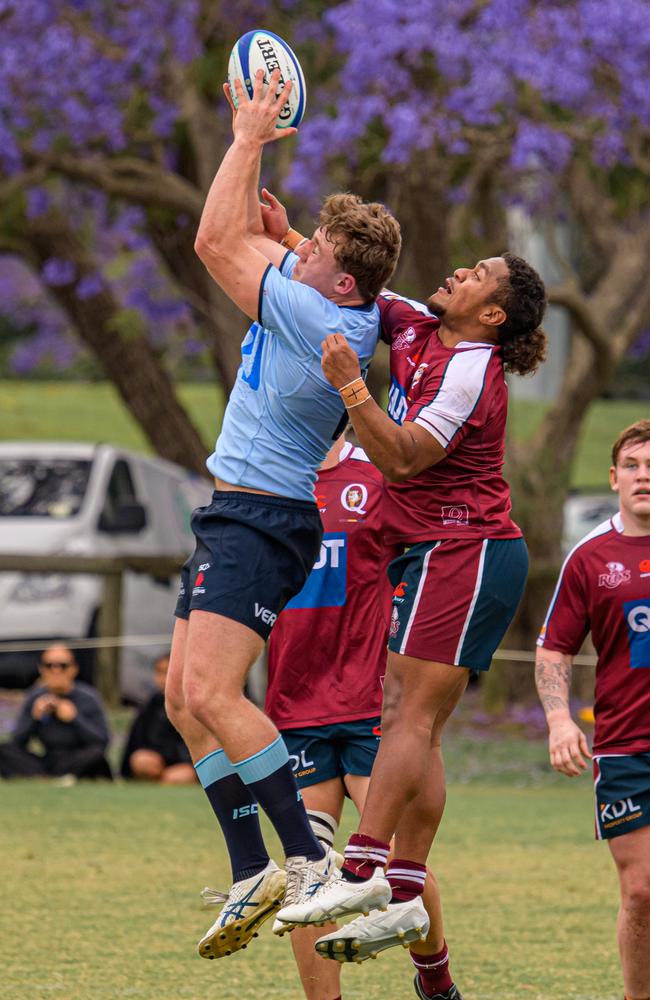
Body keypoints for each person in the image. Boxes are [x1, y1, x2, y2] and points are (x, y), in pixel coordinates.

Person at [272, 205, 546, 995]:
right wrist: (295, 237)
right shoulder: (423, 324)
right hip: (438, 554)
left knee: (406, 717)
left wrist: (351, 385)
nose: (460, 270)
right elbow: (355, 286)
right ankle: (402, 885)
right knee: (412, 720)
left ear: (491, 315)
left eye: (479, 275)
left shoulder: (473, 369)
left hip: (468, 549)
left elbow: (402, 459)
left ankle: (366, 867)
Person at [163, 68, 401, 961]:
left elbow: (211, 241)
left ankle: (306, 859)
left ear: (338, 284)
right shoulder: (327, 299)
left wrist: (250, 132)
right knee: (185, 698)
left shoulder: (321, 317)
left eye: (309, 254)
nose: (293, 254)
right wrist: (292, 234)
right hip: (236, 507)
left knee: (218, 694)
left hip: (263, 517)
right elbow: (257, 248)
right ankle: (250, 868)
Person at [263, 431, 463, 1000]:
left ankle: (435, 978)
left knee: (399, 856)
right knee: (308, 870)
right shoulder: (268, 481)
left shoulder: (378, 475)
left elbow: (432, 562)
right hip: (294, 704)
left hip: (374, 700)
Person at [535, 420, 650, 1000]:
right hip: (627, 747)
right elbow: (554, 646)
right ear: (614, 477)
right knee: (641, 894)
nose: (644, 475)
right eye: (632, 465)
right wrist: (559, 719)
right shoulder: (590, 558)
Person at [0, 643, 112, 781]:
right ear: (41, 669)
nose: (56, 670)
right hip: (46, 761)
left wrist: (75, 718)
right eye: (49, 665)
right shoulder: (35, 698)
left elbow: (102, 741)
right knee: (4, 749)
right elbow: (17, 742)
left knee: (95, 755)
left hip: (76, 759)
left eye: (63, 665)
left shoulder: (88, 698)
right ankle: (44, 777)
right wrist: (34, 717)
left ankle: (55, 777)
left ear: (74, 669)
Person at [120, 655, 195, 785]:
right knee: (141, 760)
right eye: (159, 672)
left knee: (177, 777)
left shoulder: (195, 703)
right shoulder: (152, 703)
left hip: (189, 763)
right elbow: (137, 740)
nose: (163, 679)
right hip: (159, 761)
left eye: (167, 672)